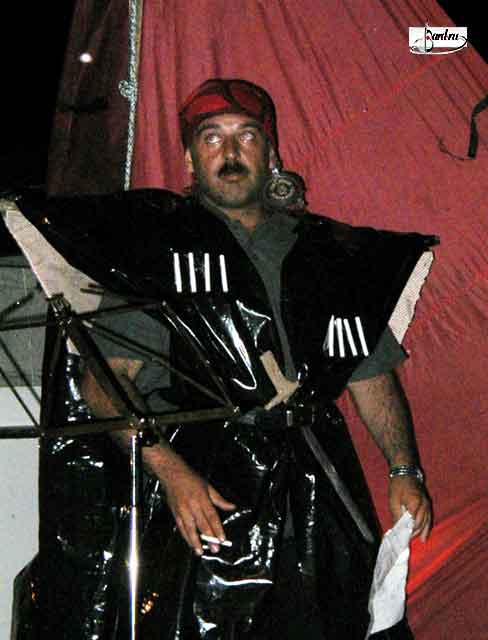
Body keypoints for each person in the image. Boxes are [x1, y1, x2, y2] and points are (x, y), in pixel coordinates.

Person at [75, 78, 434, 639]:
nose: (230, 151)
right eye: (211, 138)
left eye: (246, 136)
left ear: (271, 155)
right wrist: (173, 474)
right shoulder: (155, 253)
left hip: (317, 488)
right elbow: (103, 384)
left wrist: (404, 468)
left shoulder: (324, 252)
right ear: (190, 159)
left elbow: (368, 371)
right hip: (207, 493)